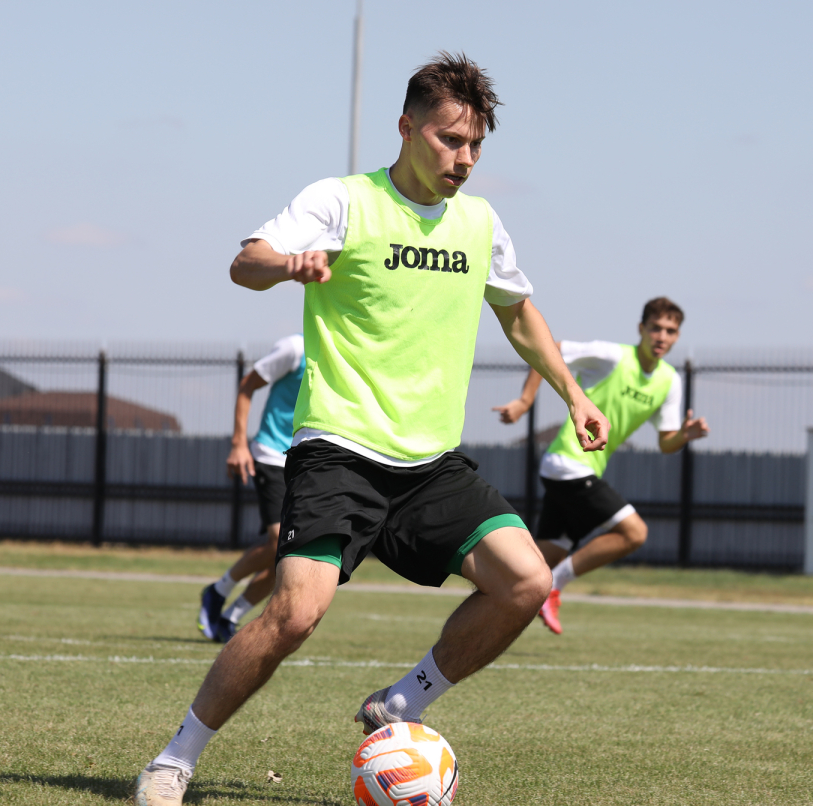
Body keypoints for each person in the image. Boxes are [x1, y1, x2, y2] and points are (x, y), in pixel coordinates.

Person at [133, 52, 610, 806]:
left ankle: (400, 705)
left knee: (526, 580)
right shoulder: (344, 201)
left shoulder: (480, 223)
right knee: (296, 612)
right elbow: (246, 262)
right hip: (340, 450)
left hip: (430, 464)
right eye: (450, 139)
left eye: (476, 144)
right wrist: (289, 265)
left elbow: (518, 312)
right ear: (407, 128)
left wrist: (572, 393)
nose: (465, 158)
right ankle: (173, 760)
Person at [493, 297, 708, 635]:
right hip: (568, 463)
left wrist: (684, 435)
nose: (662, 336)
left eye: (670, 331)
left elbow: (666, 443)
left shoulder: (670, 381)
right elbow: (551, 350)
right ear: (641, 329)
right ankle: (555, 586)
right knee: (634, 533)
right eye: (655, 328)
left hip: (579, 471)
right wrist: (524, 400)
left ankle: (490, 594)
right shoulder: (612, 356)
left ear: (677, 336)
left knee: (539, 564)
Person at [197, 334, 305, 643]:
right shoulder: (295, 349)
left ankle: (230, 616)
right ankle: (218, 592)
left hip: (307, 462)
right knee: (280, 541)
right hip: (272, 455)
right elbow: (247, 386)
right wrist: (238, 443)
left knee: (291, 556)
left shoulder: (347, 351)